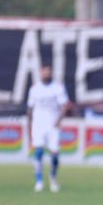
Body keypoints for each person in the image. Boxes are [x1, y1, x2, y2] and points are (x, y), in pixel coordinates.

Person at [27, 64, 70, 193]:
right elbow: (30, 108)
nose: (46, 74)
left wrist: (59, 120)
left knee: (55, 154)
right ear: (41, 73)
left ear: (51, 73)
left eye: (48, 71)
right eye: (44, 71)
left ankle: (53, 177)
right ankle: (39, 181)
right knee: (38, 152)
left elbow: (64, 105)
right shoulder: (35, 89)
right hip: (38, 125)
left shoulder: (57, 88)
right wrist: (29, 125)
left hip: (52, 125)